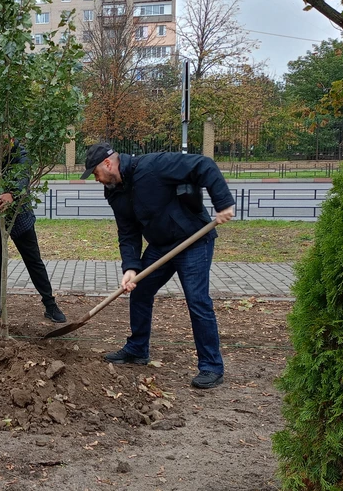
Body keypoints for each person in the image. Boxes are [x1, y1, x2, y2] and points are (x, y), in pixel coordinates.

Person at [80, 143, 235, 389]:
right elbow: (128, 231)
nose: (96, 179)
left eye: (95, 173)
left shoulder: (154, 165)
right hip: (162, 246)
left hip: (193, 239)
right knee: (140, 289)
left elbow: (204, 165)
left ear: (108, 164)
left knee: (197, 300)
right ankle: (137, 349)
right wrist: (131, 268)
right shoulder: (115, 192)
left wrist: (223, 203)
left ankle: (211, 367)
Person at [0, 141, 65, 324]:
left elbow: (22, 178)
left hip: (19, 216)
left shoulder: (21, 154)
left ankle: (50, 305)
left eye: (3, 137)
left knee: (33, 260)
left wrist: (12, 194)